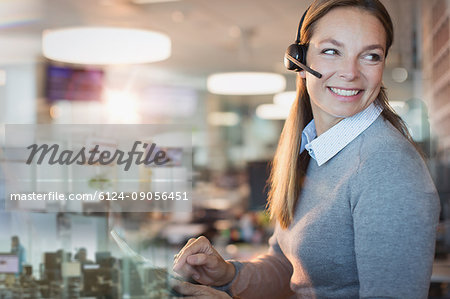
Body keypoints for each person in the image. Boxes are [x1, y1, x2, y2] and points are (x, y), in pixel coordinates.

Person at [172, 0, 440, 298]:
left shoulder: (389, 170)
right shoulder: (313, 149)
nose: (350, 72)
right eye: (331, 51)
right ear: (298, 61)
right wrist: (228, 275)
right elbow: (289, 266)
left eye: (370, 56)